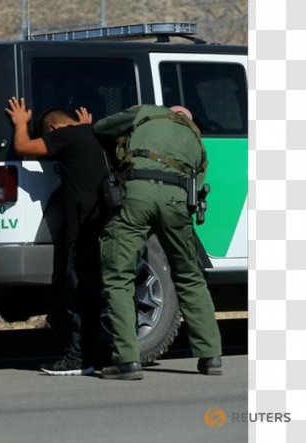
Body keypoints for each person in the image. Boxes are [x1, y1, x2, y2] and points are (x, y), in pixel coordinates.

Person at [93, 104, 222, 380]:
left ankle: (127, 361)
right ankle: (211, 357)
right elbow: (197, 182)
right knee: (190, 277)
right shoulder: (197, 141)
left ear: (169, 112)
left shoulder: (146, 112)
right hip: (176, 200)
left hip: (137, 193)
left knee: (119, 277)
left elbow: (101, 128)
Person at [5, 98, 108, 376]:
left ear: (52, 130)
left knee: (78, 291)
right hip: (105, 225)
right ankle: (101, 354)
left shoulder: (64, 135)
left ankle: (78, 358)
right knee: (99, 292)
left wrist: (20, 123)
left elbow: (23, 147)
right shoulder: (93, 133)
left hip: (82, 228)